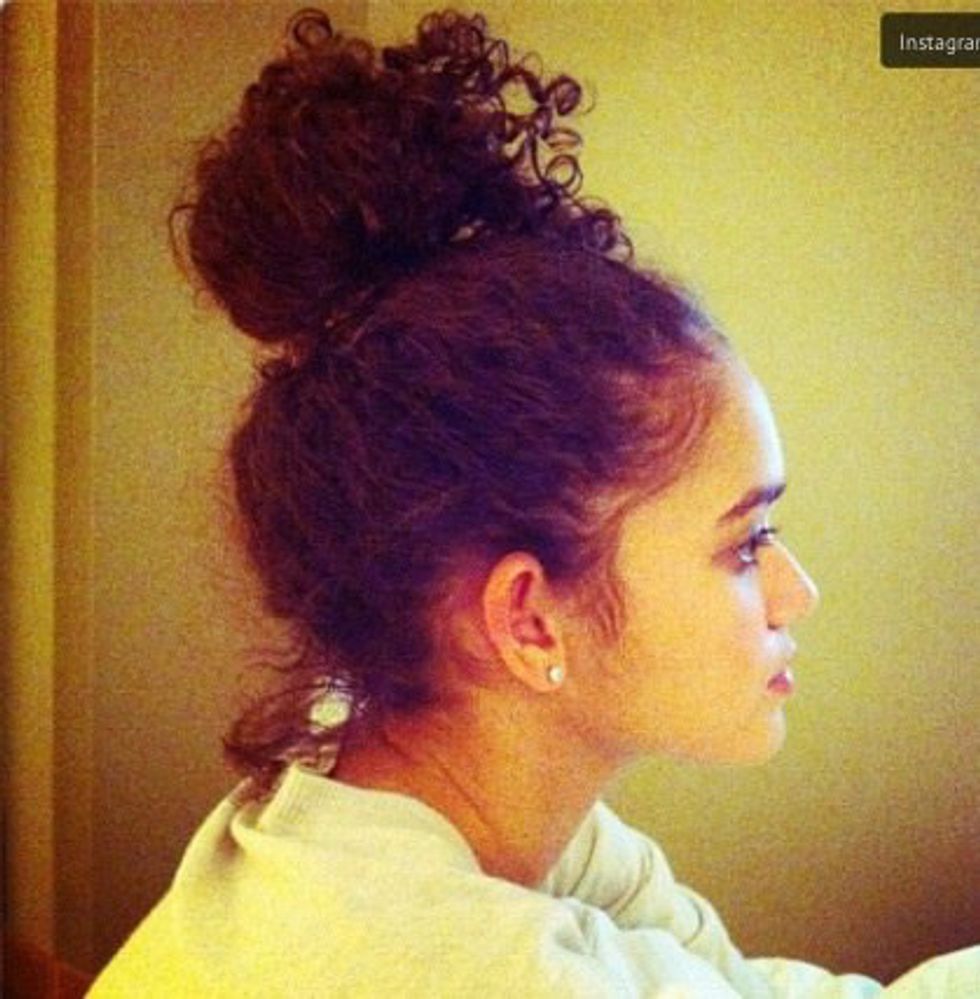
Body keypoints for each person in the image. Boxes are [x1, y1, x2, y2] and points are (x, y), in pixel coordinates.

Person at [90, 10, 978, 997]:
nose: (794, 591)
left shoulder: (378, 773)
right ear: (526, 618)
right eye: (744, 542)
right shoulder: (470, 971)